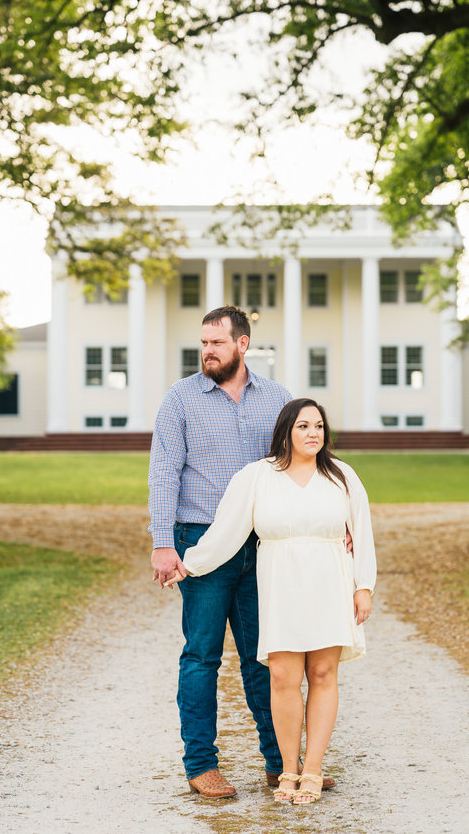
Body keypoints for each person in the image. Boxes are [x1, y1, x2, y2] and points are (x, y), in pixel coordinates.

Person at [165, 398, 377, 805]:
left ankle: (312, 770)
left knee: (322, 673)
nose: (312, 433)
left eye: (318, 425)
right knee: (281, 674)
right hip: (279, 584)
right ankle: (287, 769)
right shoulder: (257, 476)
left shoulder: (342, 476)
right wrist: (189, 564)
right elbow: (227, 529)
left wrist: (362, 586)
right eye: (302, 426)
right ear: (286, 431)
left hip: (329, 581)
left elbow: (362, 533)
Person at [148, 304, 293, 799]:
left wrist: (338, 523)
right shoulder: (181, 399)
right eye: (203, 342)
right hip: (202, 544)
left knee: (266, 658)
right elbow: (164, 472)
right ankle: (201, 765)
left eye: (217, 342)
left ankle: (281, 763)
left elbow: (301, 467)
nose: (206, 351)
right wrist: (163, 543)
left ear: (242, 344)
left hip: (262, 545)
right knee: (202, 656)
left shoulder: (277, 399)